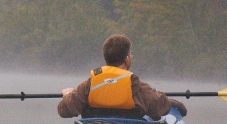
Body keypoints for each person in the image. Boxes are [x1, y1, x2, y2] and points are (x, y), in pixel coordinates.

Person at [58, 34, 187, 119]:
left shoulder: (90, 83)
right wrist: (166, 99)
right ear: (127, 59)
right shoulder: (137, 86)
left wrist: (68, 94)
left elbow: (64, 111)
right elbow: (161, 107)